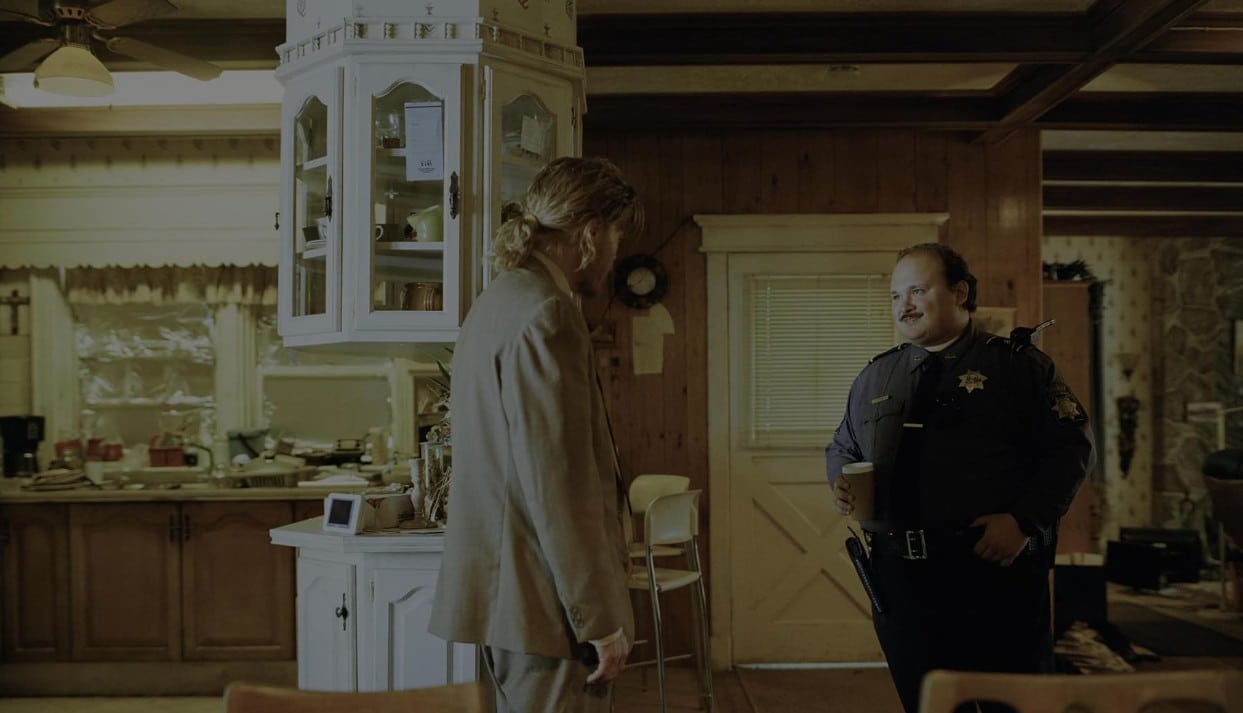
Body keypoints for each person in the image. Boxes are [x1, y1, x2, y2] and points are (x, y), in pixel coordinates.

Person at [826, 243, 1096, 713]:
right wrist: (841, 481)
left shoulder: (1016, 367)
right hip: (901, 582)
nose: (903, 305)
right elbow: (842, 446)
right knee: (928, 704)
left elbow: (1071, 448)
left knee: (1011, 704)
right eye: (894, 296)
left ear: (960, 292)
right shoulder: (876, 376)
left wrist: (1025, 520)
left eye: (917, 290)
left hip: (992, 572)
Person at [430, 156, 644, 713]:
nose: (618, 251)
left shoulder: (498, 301)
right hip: (547, 610)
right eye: (617, 233)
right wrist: (597, 618)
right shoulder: (548, 313)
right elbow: (559, 487)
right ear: (591, 233)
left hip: (508, 603)